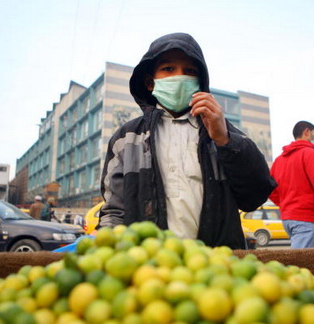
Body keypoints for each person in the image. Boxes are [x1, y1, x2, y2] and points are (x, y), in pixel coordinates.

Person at [97, 32, 275, 248]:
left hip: (216, 264)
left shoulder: (223, 131)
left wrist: (225, 141)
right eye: (168, 69)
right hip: (149, 268)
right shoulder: (127, 138)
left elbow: (254, 196)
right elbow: (114, 211)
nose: (180, 77)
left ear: (200, 82)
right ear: (149, 82)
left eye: (190, 71)